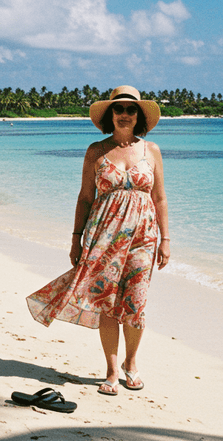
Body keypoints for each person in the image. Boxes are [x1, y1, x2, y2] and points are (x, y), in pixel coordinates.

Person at [26, 85, 171, 396]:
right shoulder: (96, 151)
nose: (124, 114)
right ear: (110, 114)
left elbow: (159, 198)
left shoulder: (152, 151)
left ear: (139, 116)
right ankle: (112, 369)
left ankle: (132, 362)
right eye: (118, 109)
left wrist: (166, 239)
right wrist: (75, 239)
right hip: (103, 237)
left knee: (135, 303)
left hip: (143, 238)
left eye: (131, 109)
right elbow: (84, 198)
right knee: (108, 302)